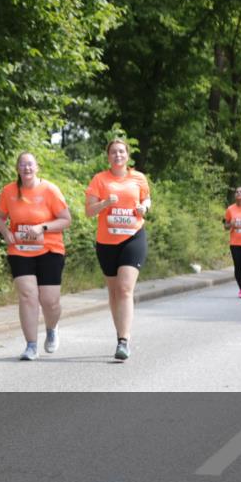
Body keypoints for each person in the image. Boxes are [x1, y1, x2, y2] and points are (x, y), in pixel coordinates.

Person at [0, 152, 72, 360]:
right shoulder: (9, 191)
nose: (26, 168)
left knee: (50, 301)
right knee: (28, 296)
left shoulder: (50, 190)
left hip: (50, 249)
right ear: (18, 168)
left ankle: (52, 328)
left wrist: (43, 227)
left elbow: (65, 219)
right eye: (22, 165)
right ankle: (31, 345)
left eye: (30, 165)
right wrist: (6, 232)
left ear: (37, 167)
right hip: (20, 250)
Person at [84, 138, 151, 361]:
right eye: (114, 152)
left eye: (121, 152)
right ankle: (120, 332)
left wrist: (144, 208)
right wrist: (104, 204)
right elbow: (89, 211)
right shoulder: (100, 180)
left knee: (124, 289)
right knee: (113, 292)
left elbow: (147, 199)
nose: (118, 155)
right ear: (108, 156)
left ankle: (124, 341)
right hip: (106, 242)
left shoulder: (138, 178)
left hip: (133, 237)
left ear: (127, 156)